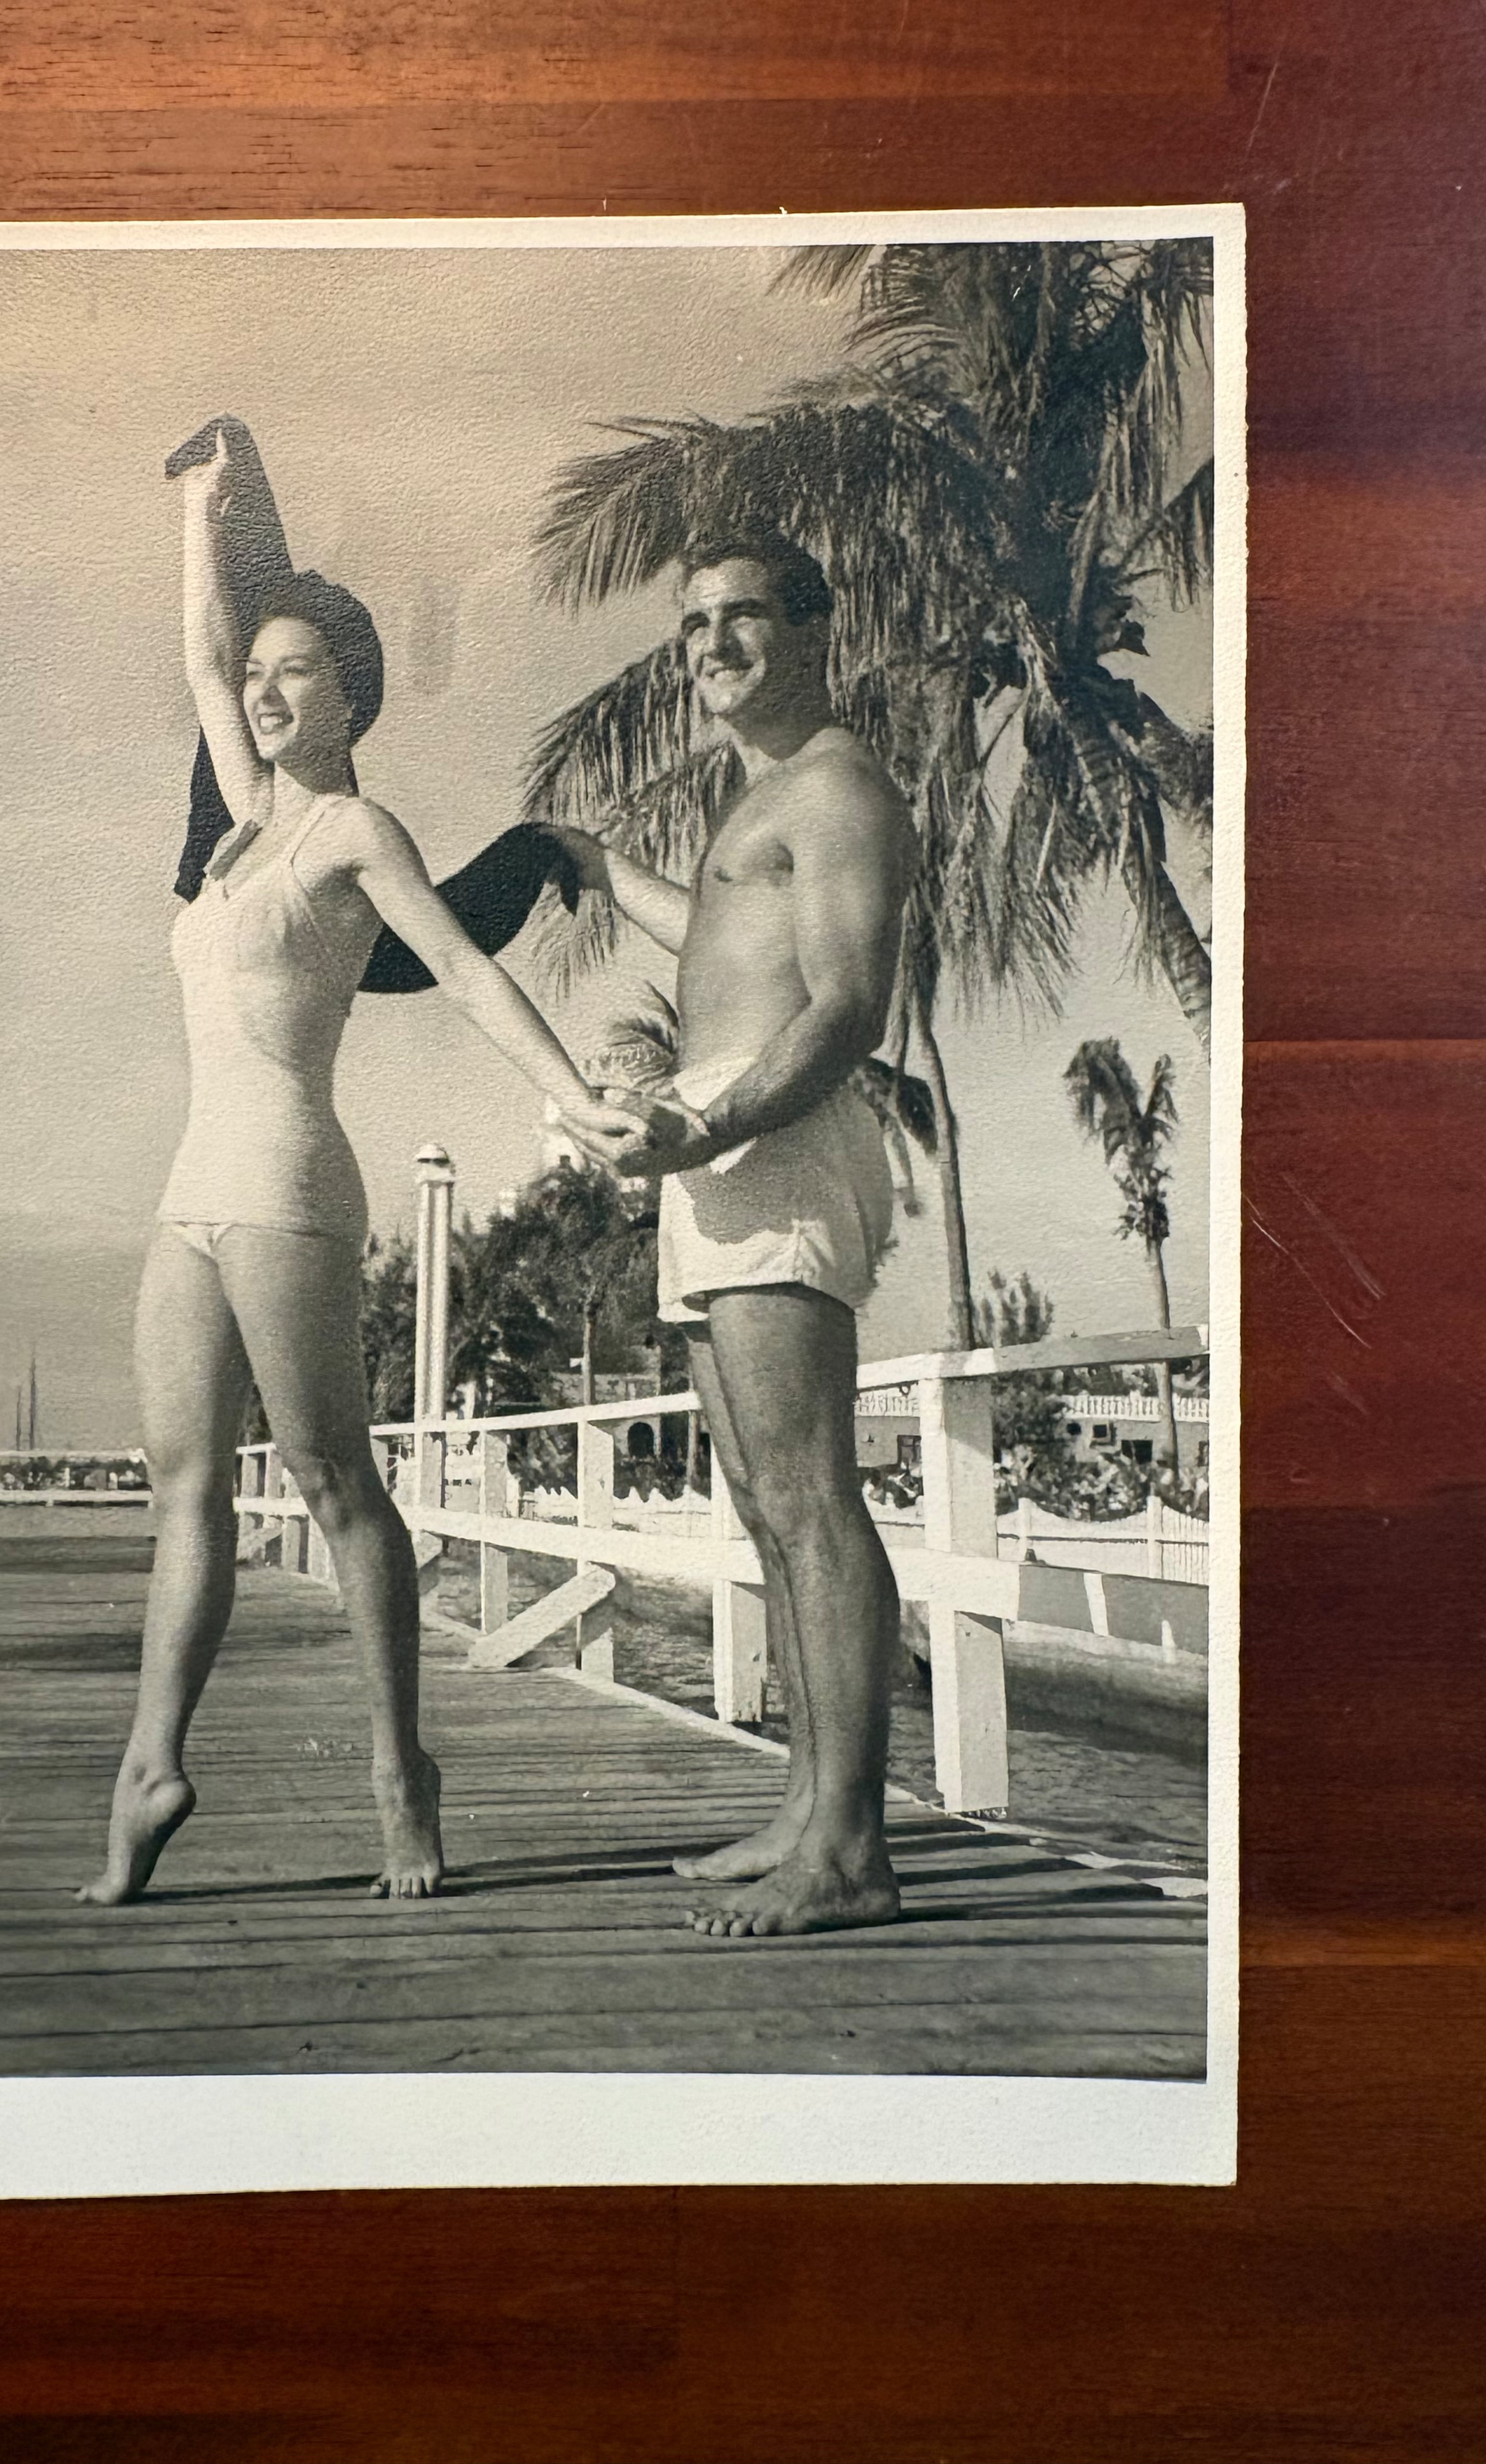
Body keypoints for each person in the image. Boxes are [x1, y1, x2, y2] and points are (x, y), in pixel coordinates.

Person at [79, 422, 647, 1908]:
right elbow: (201, 655)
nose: (265, 695)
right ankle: (153, 1769)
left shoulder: (349, 829)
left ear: (351, 697)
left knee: (337, 1485)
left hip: (285, 1183)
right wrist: (202, 508)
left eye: (297, 676)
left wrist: (576, 1097)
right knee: (184, 1486)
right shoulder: (240, 818)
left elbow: (461, 969)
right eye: (260, 678)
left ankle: (403, 1773)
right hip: (192, 1190)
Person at [554, 533, 919, 1938]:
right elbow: (717, 943)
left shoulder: (835, 790)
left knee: (814, 1499)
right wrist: (597, 869)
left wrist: (705, 1136)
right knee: (767, 1506)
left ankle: (853, 1854)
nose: (712, 644)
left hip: (772, 1138)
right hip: (713, 1146)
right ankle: (805, 1811)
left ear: (816, 624)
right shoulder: (763, 801)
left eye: (743, 616)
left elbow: (841, 1011)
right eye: (694, 623)